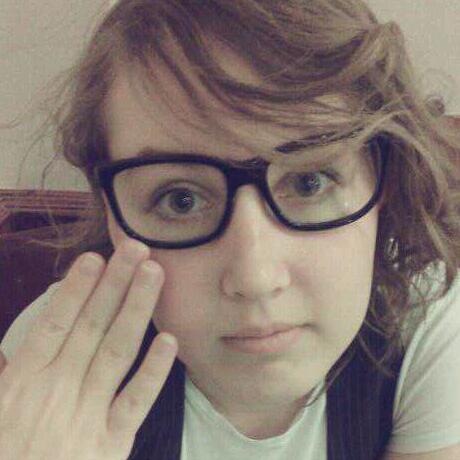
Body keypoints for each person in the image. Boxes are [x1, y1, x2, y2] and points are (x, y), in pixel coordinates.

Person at [1, 1, 459, 459]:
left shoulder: (426, 325)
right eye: (181, 200)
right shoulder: (50, 365)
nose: (255, 279)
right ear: (114, 216)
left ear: (385, 182)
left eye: (309, 181)